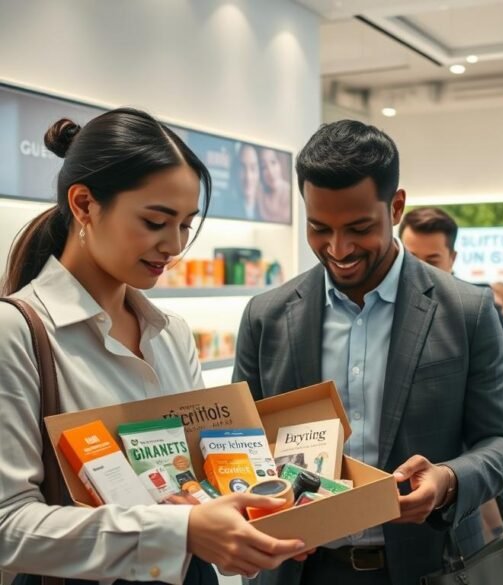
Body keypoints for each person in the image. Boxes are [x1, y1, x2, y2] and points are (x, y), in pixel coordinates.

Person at [0, 110, 307, 584]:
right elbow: (8, 525)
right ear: (83, 204)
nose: (175, 246)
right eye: (156, 221)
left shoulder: (171, 333)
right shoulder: (16, 332)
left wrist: (246, 523)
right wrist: (179, 532)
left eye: (185, 225)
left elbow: (194, 479)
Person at [233, 120, 503, 585]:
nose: (338, 248)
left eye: (359, 228)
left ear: (397, 206)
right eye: (319, 228)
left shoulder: (467, 311)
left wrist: (449, 480)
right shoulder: (266, 316)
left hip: (431, 566)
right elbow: (239, 445)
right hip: (299, 571)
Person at [398, 206, 503, 453]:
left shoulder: (475, 310)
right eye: (412, 258)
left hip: (462, 467)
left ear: (452, 259)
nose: (419, 269)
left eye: (432, 261)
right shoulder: (384, 305)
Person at [258, 148, 292, 223]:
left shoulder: (291, 192)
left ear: (280, 163)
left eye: (273, 162)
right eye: (264, 167)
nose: (270, 171)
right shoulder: (259, 196)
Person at [237, 144, 262, 221]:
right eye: (243, 168)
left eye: (253, 168)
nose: (248, 177)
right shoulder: (225, 206)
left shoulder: (267, 210)